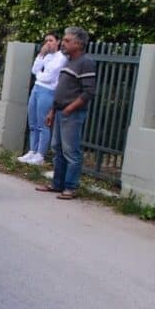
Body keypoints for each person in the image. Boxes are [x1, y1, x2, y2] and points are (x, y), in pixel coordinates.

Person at [36, 26, 96, 199]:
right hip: (60, 111)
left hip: (72, 114)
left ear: (79, 44)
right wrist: (53, 110)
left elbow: (89, 92)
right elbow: (61, 89)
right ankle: (57, 184)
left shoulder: (85, 62)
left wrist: (70, 108)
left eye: (67, 40)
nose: (63, 43)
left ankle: (71, 186)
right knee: (58, 149)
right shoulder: (68, 61)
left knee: (71, 151)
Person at [18, 33, 67, 165]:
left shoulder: (61, 58)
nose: (48, 43)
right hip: (36, 88)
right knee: (33, 122)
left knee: (43, 124)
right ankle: (32, 150)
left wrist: (40, 75)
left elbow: (49, 77)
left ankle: (40, 154)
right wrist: (41, 54)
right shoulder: (46, 56)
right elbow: (34, 70)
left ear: (58, 42)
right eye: (46, 41)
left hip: (48, 90)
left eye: (51, 40)